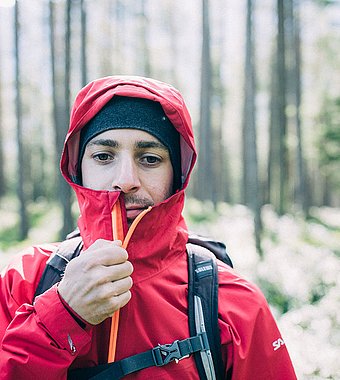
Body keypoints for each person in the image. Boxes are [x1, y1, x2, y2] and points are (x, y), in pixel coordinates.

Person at [0, 75, 297, 379]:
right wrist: (60, 317)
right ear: (78, 169)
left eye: (150, 159)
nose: (126, 179)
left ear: (177, 175)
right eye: (103, 156)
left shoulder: (233, 303)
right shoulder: (24, 281)